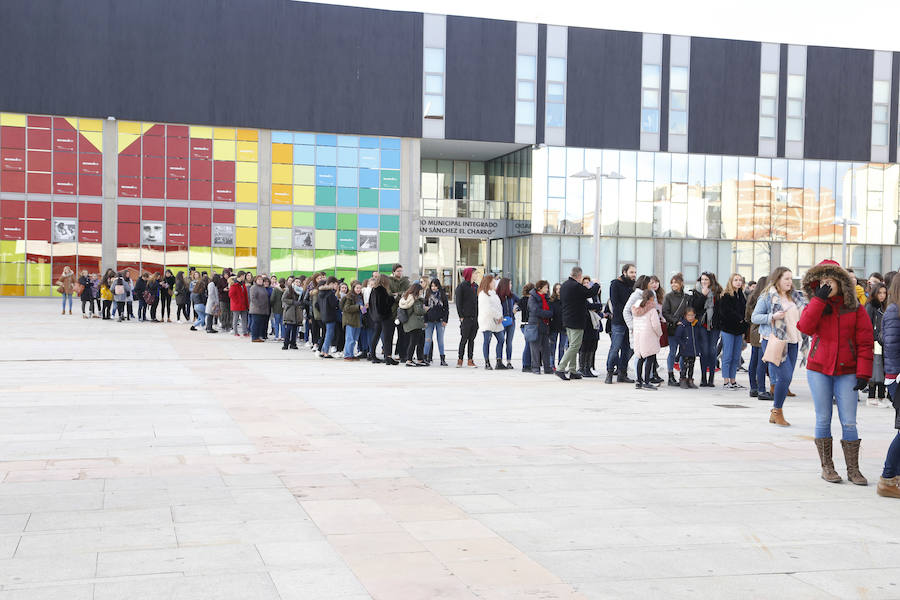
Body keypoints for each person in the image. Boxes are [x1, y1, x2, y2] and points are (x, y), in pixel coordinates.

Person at [798, 260, 873, 486]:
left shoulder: (856, 309)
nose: (827, 285)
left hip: (847, 370)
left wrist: (864, 372)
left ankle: (853, 469)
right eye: (822, 282)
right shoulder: (816, 304)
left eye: (830, 281)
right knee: (823, 418)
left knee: (849, 421)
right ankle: (827, 467)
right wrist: (819, 299)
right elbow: (805, 327)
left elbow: (865, 342)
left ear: (840, 282)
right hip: (819, 369)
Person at [751, 267, 806, 426]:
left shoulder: (795, 297)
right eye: (786, 279)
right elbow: (755, 317)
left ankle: (776, 411)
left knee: (786, 379)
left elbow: (804, 314)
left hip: (793, 340)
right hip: (775, 340)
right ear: (778, 280)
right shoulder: (767, 297)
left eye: (790, 279)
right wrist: (772, 317)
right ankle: (777, 411)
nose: (790, 282)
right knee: (785, 376)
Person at [878, 276, 900, 498]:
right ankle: (887, 479)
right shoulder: (894, 310)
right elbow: (891, 347)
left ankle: (894, 478)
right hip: (897, 378)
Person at [558, 266, 600, 381]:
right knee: (575, 346)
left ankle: (572, 370)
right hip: (576, 320)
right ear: (579, 276)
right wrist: (596, 284)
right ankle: (561, 368)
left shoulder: (565, 285)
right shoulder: (576, 286)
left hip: (567, 319)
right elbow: (590, 292)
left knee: (573, 345)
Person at [691, 271, 722, 387]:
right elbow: (695, 307)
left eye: (706, 280)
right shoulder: (697, 291)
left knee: (712, 350)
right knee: (704, 351)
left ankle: (711, 379)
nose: (703, 282)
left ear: (711, 281)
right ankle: (703, 378)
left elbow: (720, 310)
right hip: (702, 325)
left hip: (715, 326)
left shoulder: (717, 292)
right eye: (702, 279)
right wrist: (703, 296)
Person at [606, 264, 637, 384]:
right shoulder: (615, 284)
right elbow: (615, 303)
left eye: (635, 272)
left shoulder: (635, 286)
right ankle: (609, 372)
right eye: (631, 272)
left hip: (630, 322)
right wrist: (627, 311)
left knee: (627, 349)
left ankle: (622, 374)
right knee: (615, 348)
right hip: (619, 321)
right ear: (624, 272)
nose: (634, 275)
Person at [719, 273, 748, 390]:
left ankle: (733, 380)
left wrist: (744, 323)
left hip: (739, 330)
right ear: (731, 281)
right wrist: (739, 319)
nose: (738, 282)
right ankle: (726, 381)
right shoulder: (726, 295)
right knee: (728, 355)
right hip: (728, 329)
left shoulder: (741, 295)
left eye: (740, 280)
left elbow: (745, 311)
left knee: (736, 356)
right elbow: (725, 313)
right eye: (736, 280)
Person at [632, 289, 662, 390]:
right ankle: (647, 381)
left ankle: (638, 381)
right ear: (652, 298)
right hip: (649, 336)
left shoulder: (636, 308)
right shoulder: (652, 309)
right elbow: (656, 325)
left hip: (638, 335)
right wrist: (659, 334)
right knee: (650, 358)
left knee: (640, 358)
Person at [745, 276, 770, 400]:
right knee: (761, 362)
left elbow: (747, 317)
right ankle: (761, 389)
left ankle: (753, 388)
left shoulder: (751, 297)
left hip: (753, 330)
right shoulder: (765, 298)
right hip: (761, 331)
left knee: (754, 361)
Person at [662, 274, 689, 386]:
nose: (673, 284)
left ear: (681, 284)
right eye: (672, 282)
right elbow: (665, 312)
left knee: (683, 352)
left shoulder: (687, 297)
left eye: (676, 282)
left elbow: (690, 311)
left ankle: (683, 376)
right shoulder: (668, 297)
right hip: (672, 328)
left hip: (684, 329)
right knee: (672, 352)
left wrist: (684, 322)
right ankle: (670, 376)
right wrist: (675, 321)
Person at [866, 283, 889, 407]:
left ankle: (881, 395)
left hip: (883, 341)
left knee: (881, 367)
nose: (882, 295)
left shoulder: (885, 306)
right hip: (874, 342)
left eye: (884, 293)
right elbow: (867, 325)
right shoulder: (870, 306)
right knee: (875, 368)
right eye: (879, 293)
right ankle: (871, 395)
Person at [477, 274, 505, 370]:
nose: (494, 283)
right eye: (493, 282)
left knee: (501, 339)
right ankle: (487, 362)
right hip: (487, 320)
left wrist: (501, 316)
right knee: (487, 341)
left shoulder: (493, 293)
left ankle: (499, 361)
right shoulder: (483, 294)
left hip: (497, 321)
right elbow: (488, 309)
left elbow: (498, 306)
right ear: (488, 283)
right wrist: (497, 316)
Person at [577, 276, 603, 378]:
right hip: (586, 323)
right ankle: (582, 368)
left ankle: (588, 367)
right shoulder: (582, 295)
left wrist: (596, 307)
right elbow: (589, 306)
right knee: (584, 346)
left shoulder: (593, 295)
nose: (587, 284)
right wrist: (596, 307)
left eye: (589, 283)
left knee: (592, 345)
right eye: (585, 283)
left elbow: (599, 305)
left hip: (594, 323)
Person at [527, 280, 554, 375]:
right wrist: (547, 314)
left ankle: (547, 368)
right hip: (535, 325)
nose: (547, 289)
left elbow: (551, 311)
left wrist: (547, 314)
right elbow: (535, 310)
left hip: (545, 326)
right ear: (540, 288)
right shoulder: (532, 298)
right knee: (535, 348)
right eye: (546, 287)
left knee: (546, 348)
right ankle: (535, 367)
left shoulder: (547, 298)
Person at [455, 268, 479, 368]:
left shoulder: (476, 286)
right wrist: (461, 316)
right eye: (475, 273)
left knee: (472, 340)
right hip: (466, 317)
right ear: (469, 274)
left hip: (475, 317)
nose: (476, 275)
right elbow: (458, 303)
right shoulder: (462, 286)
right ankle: (460, 359)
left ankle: (470, 360)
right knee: (464, 339)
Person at [399, 283, 427, 367]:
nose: (421, 292)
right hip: (415, 324)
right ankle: (410, 360)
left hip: (409, 323)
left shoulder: (406, 298)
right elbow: (418, 311)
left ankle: (419, 359)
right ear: (417, 291)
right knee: (414, 342)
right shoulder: (415, 299)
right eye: (421, 290)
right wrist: (425, 310)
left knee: (417, 341)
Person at [372, 274, 398, 365]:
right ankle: (388, 357)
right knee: (388, 337)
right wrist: (392, 299)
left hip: (377, 317)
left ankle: (373, 356)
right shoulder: (382, 290)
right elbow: (383, 305)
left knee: (376, 336)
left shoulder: (374, 290)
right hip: (385, 317)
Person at [424, 278, 449, 366]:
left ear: (438, 286)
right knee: (428, 339)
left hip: (440, 321)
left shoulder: (442, 294)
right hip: (429, 321)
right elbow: (424, 308)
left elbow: (446, 308)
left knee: (440, 340)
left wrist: (445, 320)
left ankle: (442, 359)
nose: (433, 288)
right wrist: (425, 320)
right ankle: (425, 358)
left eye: (435, 286)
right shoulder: (427, 294)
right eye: (432, 286)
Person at [674, 307, 700, 388]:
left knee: (692, 365)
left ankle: (690, 380)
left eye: (692, 315)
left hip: (693, 349)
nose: (691, 317)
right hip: (685, 349)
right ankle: (682, 379)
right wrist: (683, 345)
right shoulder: (683, 325)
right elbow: (677, 336)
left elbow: (698, 337)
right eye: (689, 315)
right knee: (684, 365)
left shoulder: (695, 325)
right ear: (685, 316)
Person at [389, 264, 411, 361]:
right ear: (393, 272)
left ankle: (403, 355)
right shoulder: (389, 281)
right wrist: (400, 295)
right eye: (398, 271)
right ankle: (388, 354)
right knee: (389, 334)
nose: (400, 273)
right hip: (391, 311)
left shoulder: (405, 281)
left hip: (402, 311)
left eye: (401, 271)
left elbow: (407, 293)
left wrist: (396, 295)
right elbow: (389, 294)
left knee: (402, 334)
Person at [496, 278, 518, 370]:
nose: (511, 286)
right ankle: (499, 361)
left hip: (511, 321)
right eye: (510, 284)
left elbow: (521, 302)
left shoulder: (512, 296)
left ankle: (509, 361)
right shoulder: (497, 296)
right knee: (501, 341)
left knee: (509, 342)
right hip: (501, 322)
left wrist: (516, 309)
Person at [341, 281, 365, 360]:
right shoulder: (349, 297)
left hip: (358, 321)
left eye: (360, 288)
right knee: (350, 338)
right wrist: (358, 307)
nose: (359, 289)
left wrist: (365, 308)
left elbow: (362, 309)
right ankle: (347, 354)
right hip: (350, 321)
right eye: (357, 288)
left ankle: (351, 354)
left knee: (354, 339)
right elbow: (346, 308)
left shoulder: (360, 297)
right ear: (353, 288)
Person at [548, 283, 567, 370]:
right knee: (552, 346)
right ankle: (552, 365)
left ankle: (561, 365)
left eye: (560, 288)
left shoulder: (566, 300)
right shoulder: (551, 301)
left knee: (562, 347)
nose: (559, 290)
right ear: (554, 290)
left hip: (564, 326)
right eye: (557, 289)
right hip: (554, 326)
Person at [516, 283, 534, 372]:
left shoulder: (522, 300)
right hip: (529, 324)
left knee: (528, 344)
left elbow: (516, 309)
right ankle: (526, 365)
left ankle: (527, 364)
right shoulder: (531, 300)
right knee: (529, 344)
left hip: (523, 324)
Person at [282, 278, 302, 351]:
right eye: (296, 281)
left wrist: (300, 303)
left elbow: (303, 300)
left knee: (295, 329)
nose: (297, 283)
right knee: (288, 328)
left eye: (299, 282)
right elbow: (283, 299)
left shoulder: (301, 291)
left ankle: (293, 343)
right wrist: (292, 302)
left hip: (297, 312)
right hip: (290, 311)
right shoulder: (289, 290)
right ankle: (286, 344)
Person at [248, 275, 269, 342]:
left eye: (261, 280)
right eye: (259, 279)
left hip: (263, 310)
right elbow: (253, 298)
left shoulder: (263, 288)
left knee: (260, 324)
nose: (260, 281)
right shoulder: (254, 288)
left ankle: (258, 336)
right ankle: (254, 337)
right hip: (256, 309)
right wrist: (259, 305)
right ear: (256, 280)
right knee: (255, 323)